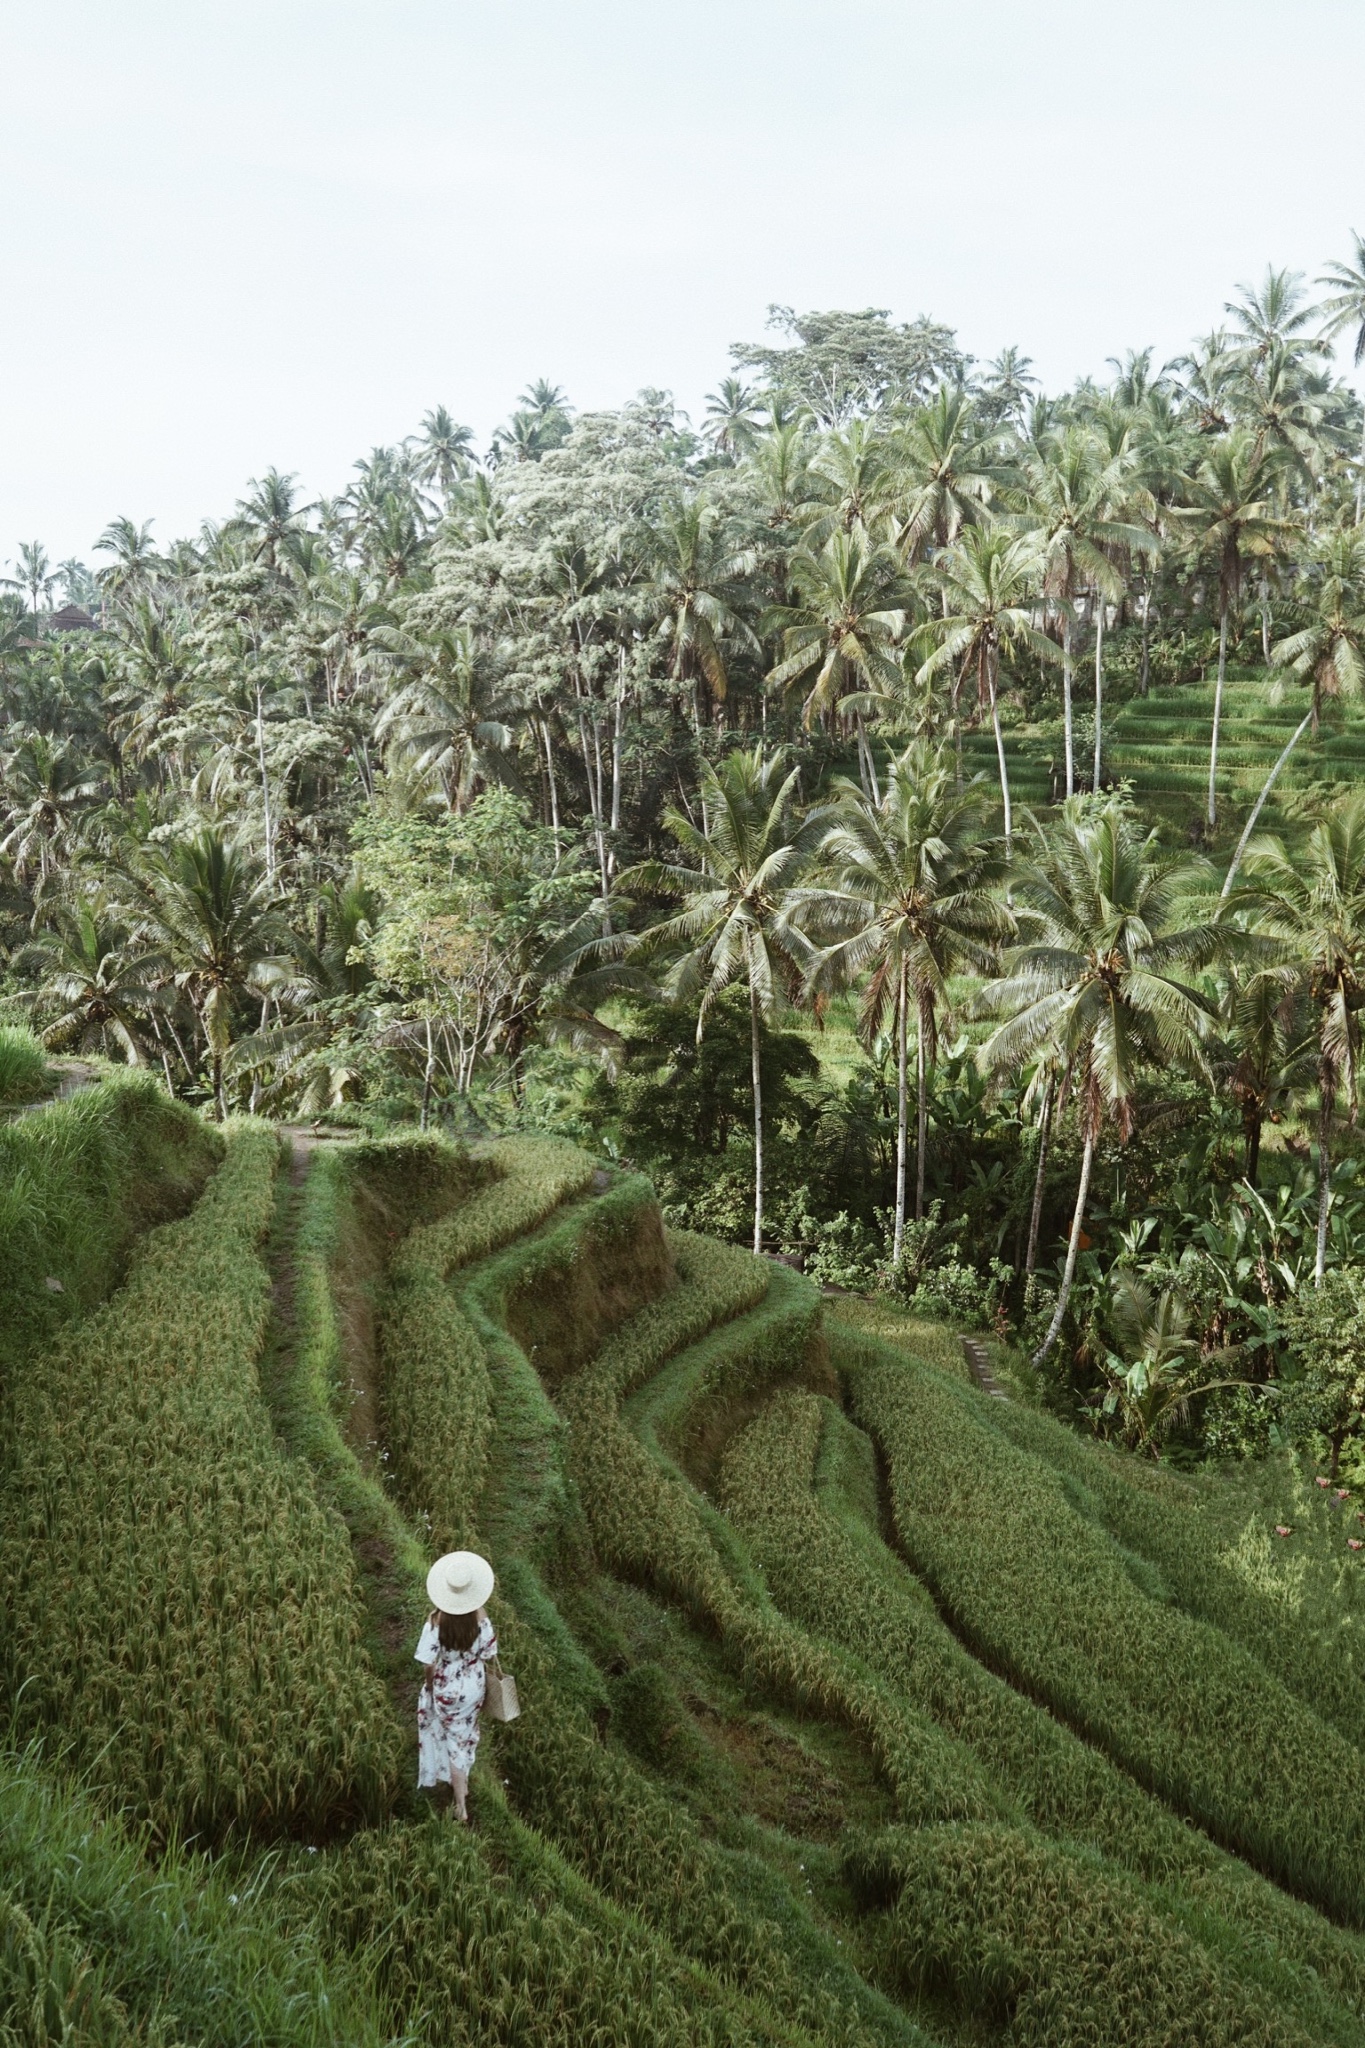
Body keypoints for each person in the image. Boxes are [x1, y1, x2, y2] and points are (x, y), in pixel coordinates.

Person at [415, 1549, 498, 1822]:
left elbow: (428, 1662)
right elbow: (488, 1653)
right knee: (465, 1734)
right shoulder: (480, 1618)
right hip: (474, 1685)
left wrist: (430, 1686)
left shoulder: (436, 1622)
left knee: (453, 1739)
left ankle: (460, 1803)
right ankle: (461, 1781)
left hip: (447, 1686)